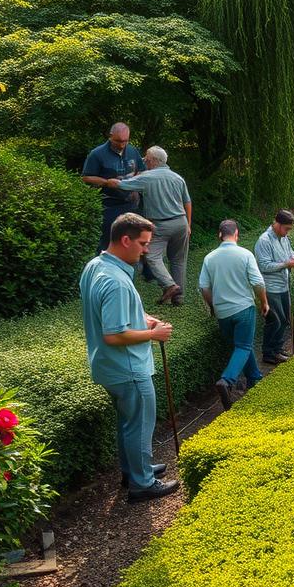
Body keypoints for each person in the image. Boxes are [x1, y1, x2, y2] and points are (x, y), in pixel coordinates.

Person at [78, 212, 179, 502]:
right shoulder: (117, 281)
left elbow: (108, 312)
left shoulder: (96, 266)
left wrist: (142, 318)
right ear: (125, 240)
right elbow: (113, 334)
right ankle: (142, 484)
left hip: (108, 366)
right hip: (129, 368)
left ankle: (133, 470)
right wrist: (152, 334)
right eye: (143, 243)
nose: (147, 250)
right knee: (139, 425)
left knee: (128, 422)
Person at [107, 146, 192, 305]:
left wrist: (108, 181)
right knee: (178, 260)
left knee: (151, 255)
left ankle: (169, 285)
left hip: (160, 224)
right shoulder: (177, 178)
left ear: (153, 161)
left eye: (146, 158)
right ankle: (179, 299)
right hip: (181, 222)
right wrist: (188, 224)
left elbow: (123, 185)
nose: (144, 160)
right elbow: (187, 202)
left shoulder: (147, 177)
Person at [198, 219, 268, 409]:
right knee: (244, 346)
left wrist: (213, 306)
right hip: (244, 308)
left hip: (223, 313)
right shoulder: (245, 254)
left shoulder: (209, 258)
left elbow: (203, 287)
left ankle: (254, 378)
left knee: (240, 347)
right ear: (236, 234)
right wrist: (264, 302)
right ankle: (226, 381)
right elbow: (258, 282)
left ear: (219, 235)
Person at [81, 122, 146, 253]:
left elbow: (142, 170)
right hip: (109, 207)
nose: (122, 144)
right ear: (110, 136)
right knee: (108, 243)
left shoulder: (133, 151)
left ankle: (127, 271)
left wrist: (137, 178)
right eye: (118, 141)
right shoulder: (97, 154)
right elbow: (86, 178)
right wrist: (106, 182)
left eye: (125, 141)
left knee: (131, 243)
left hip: (132, 205)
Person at [255, 210, 294, 364]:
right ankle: (269, 353)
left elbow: (289, 253)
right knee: (275, 321)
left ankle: (277, 348)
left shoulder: (284, 238)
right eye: (286, 229)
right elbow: (263, 266)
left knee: (284, 320)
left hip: (284, 285)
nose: (287, 232)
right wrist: (286, 264)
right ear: (277, 223)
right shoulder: (264, 241)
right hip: (270, 288)